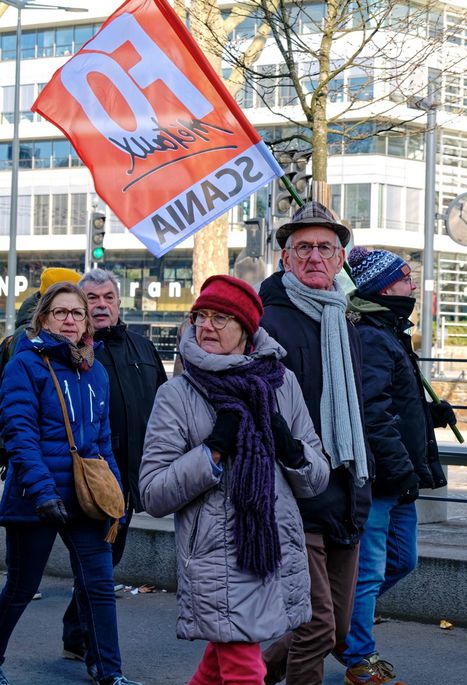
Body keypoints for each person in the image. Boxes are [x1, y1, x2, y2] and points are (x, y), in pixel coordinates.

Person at [139, 275, 329, 685]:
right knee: (245, 670)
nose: (206, 326)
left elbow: (317, 478)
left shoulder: (282, 384)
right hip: (217, 563)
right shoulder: (178, 395)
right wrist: (211, 453)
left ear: (246, 331)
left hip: (272, 554)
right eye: (201, 316)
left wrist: (291, 450)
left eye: (220, 318)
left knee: (215, 668)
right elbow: (153, 491)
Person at [0, 281, 141, 685]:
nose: (69, 320)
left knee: (99, 587)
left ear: (86, 326)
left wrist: (114, 494)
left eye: (76, 314)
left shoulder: (94, 371)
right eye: (60, 312)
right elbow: (19, 433)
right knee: (22, 587)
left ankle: (109, 673)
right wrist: (43, 490)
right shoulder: (24, 365)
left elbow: (100, 442)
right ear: (43, 318)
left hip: (86, 498)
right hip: (37, 497)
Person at [258, 201, 374, 685]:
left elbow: (359, 412)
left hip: (345, 492)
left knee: (338, 627)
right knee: (318, 625)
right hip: (294, 492)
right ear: (285, 258)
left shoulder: (344, 322)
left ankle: (246, 677)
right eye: (302, 247)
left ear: (340, 258)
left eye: (325, 247)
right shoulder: (266, 321)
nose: (314, 256)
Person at [343, 247, 454, 684]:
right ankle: (359, 657)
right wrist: (400, 469)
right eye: (406, 278)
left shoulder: (390, 331)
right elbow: (373, 412)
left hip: (399, 476)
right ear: (385, 287)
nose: (412, 285)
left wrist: (430, 413)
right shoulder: (372, 335)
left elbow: (398, 404)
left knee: (402, 561)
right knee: (369, 570)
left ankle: (345, 623)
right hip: (383, 477)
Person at [61, 269, 167, 663]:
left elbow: (161, 405)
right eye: (92, 298)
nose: (101, 304)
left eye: (108, 297)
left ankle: (76, 633)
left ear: (119, 304)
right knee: (98, 564)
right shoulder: (74, 352)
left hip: (134, 475)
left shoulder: (142, 347)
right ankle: (90, 644)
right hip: (93, 478)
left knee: (108, 560)